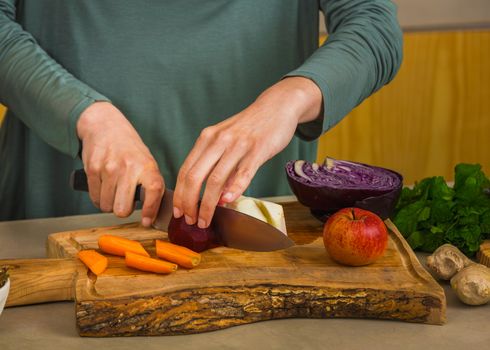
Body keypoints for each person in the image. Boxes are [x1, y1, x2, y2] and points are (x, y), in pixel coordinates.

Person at [0, 0, 403, 228]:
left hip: (248, 218)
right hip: (52, 218)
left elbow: (373, 26)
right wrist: (84, 115)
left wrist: (288, 101)